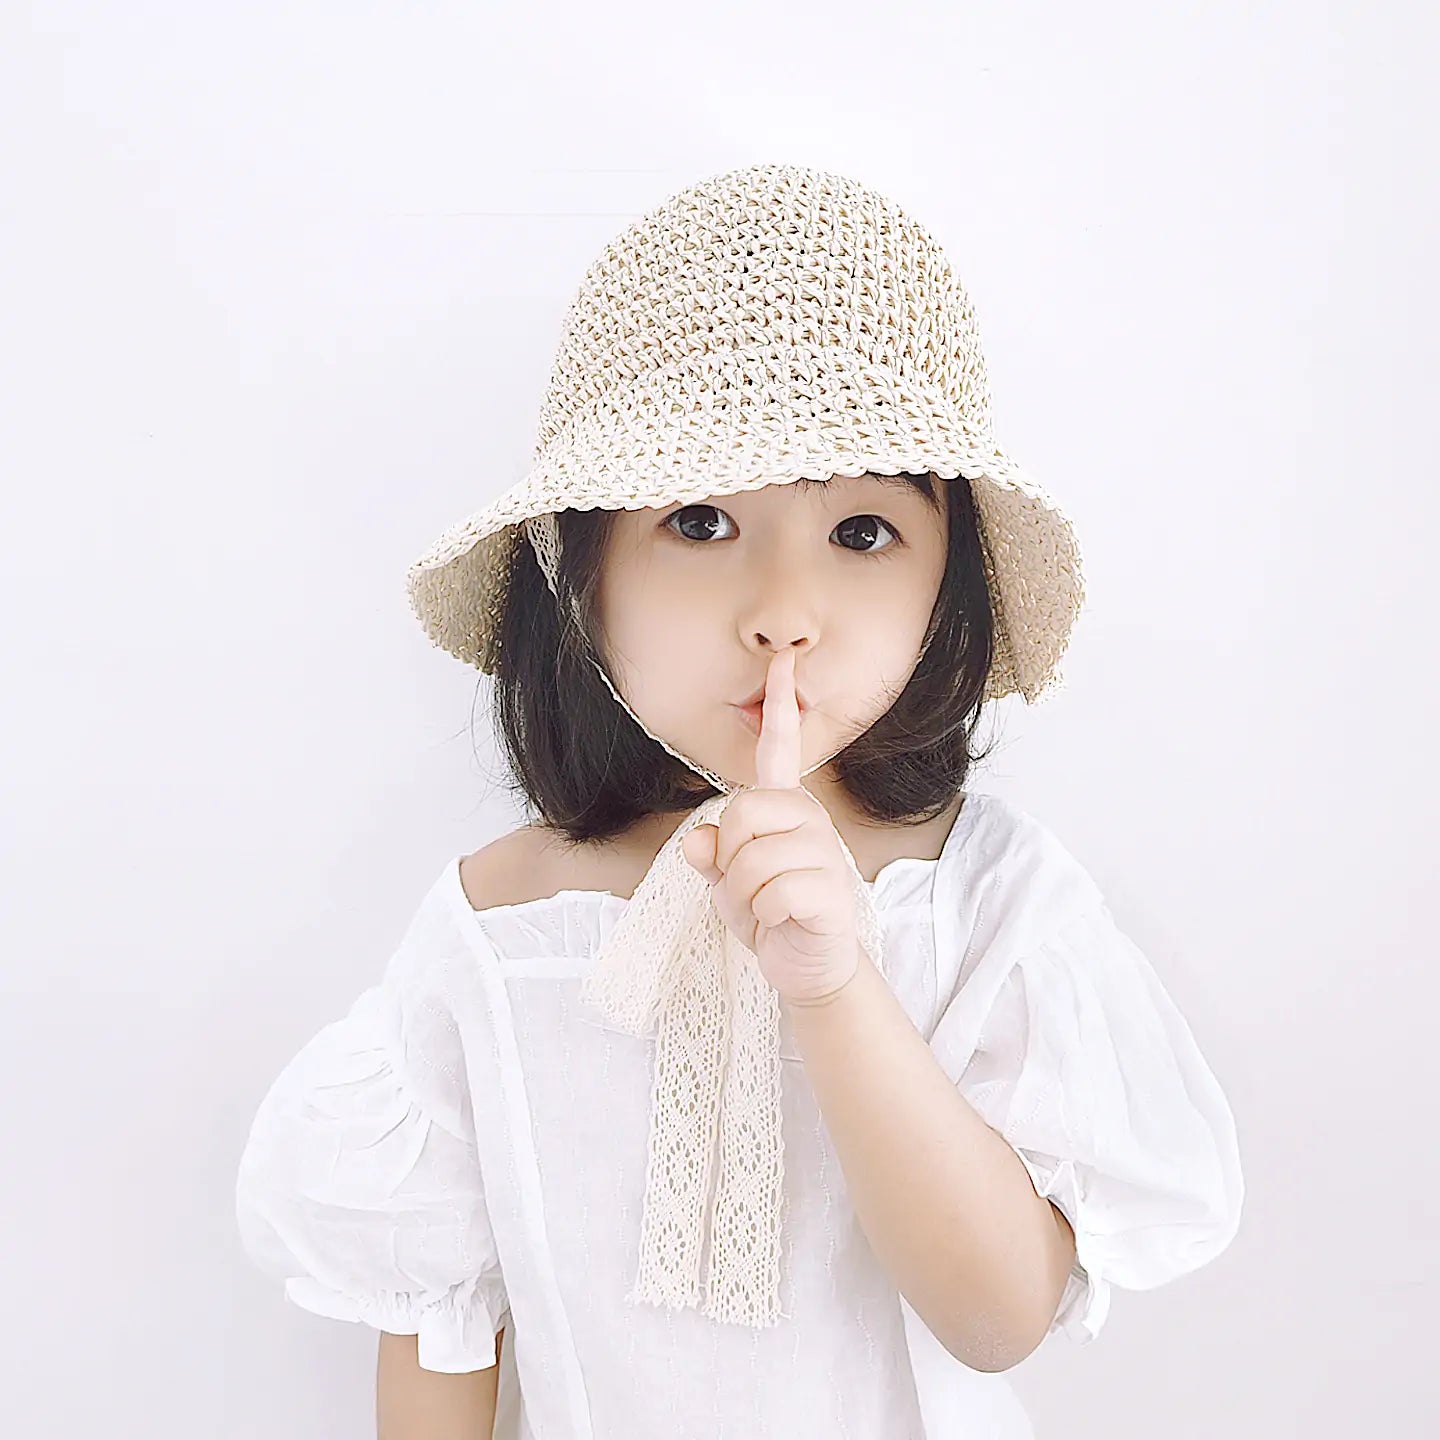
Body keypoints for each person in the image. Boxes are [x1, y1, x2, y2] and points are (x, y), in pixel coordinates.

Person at [234, 163, 1245, 1438]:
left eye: (864, 532)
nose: (783, 613)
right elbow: (442, 1323)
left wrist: (834, 987)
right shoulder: (500, 928)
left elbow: (998, 1318)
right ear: (579, 568)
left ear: (950, 587)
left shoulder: (986, 903)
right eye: (702, 520)